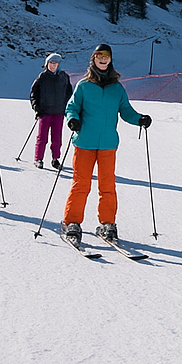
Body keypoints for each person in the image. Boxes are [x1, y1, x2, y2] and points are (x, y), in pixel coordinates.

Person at [61, 43, 151, 245]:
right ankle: (72, 222)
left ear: (110, 60)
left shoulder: (117, 88)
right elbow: (72, 107)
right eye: (99, 55)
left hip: (108, 144)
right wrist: (72, 119)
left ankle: (107, 223)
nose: (103, 59)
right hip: (84, 142)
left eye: (106, 56)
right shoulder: (84, 86)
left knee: (107, 186)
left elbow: (126, 111)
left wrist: (140, 119)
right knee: (81, 184)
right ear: (93, 58)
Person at [29, 53, 71, 169]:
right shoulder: (42, 77)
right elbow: (33, 93)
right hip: (44, 112)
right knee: (42, 137)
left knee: (57, 137)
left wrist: (66, 107)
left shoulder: (64, 77)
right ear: (47, 64)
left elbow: (69, 93)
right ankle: (38, 158)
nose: (53, 66)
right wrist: (37, 109)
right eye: (51, 63)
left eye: (55, 63)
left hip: (59, 112)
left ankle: (55, 159)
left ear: (59, 64)